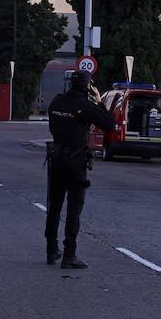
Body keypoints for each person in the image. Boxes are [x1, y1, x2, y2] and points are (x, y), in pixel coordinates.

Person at [46, 70, 115, 269]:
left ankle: (51, 250)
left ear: (70, 84)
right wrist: (98, 100)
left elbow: (52, 128)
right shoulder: (85, 105)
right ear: (88, 85)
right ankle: (69, 255)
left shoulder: (57, 102)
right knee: (73, 209)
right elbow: (109, 124)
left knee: (54, 207)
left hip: (56, 158)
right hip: (75, 161)